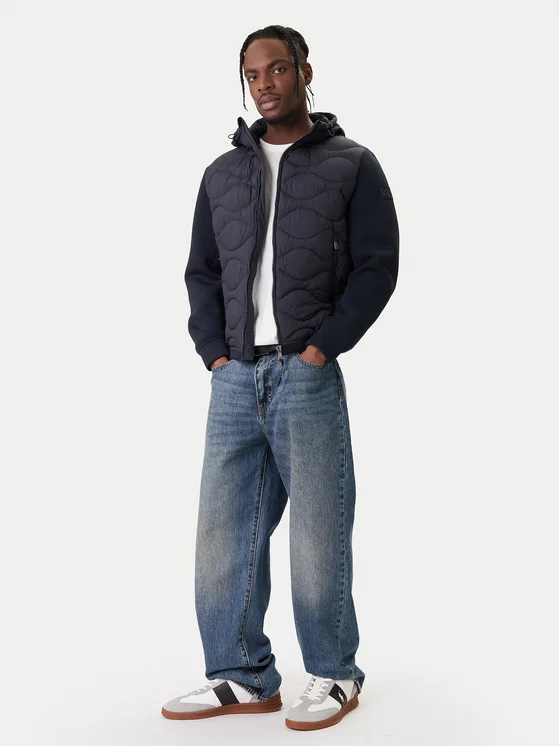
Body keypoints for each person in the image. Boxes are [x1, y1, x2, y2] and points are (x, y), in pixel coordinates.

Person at [161, 24, 399, 731]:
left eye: (277, 69)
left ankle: (334, 673)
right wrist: (214, 353)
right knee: (222, 538)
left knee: (318, 535)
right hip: (235, 378)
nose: (264, 84)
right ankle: (241, 675)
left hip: (306, 373)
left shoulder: (351, 164)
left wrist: (323, 348)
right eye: (252, 74)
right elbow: (201, 271)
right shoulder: (221, 174)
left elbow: (378, 266)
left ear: (304, 72)